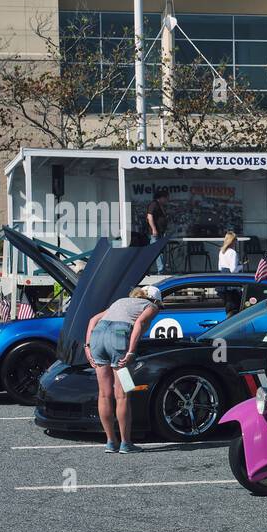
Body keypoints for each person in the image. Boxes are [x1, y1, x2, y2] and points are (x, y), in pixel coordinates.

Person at [84, 285, 161, 453]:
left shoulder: (120, 301)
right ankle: (126, 443)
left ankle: (111, 441)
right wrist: (131, 351)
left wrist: (87, 346)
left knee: (104, 394)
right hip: (118, 336)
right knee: (123, 394)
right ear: (155, 301)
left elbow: (92, 320)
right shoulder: (151, 306)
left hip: (97, 337)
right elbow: (139, 323)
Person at [144, 189, 170, 272]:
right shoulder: (154, 204)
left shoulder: (160, 205)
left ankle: (162, 269)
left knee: (160, 251)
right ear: (161, 197)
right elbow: (149, 216)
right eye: (166, 198)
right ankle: (161, 269)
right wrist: (154, 229)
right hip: (155, 233)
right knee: (156, 251)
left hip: (161, 232)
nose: (166, 200)